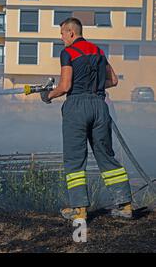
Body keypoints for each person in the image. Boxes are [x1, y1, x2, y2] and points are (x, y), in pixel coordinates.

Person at [41, 17, 133, 220]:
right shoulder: (99, 52)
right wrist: (96, 89)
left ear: (71, 33)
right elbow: (114, 81)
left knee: (75, 158)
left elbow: (65, 86)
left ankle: (79, 209)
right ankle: (125, 205)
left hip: (77, 107)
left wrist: (48, 96)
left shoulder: (68, 53)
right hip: (100, 106)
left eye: (62, 34)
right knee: (106, 155)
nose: (61, 38)